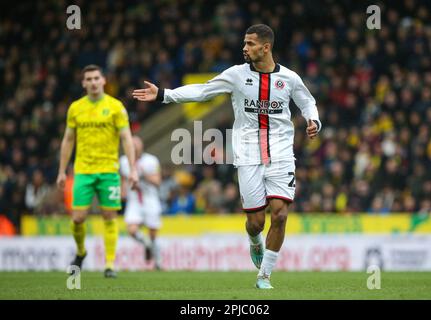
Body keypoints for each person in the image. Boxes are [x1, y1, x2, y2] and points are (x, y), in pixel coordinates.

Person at [132, 24, 321, 289]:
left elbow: (307, 102)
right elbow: (202, 91)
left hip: (280, 153)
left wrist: (313, 120)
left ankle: (264, 276)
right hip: (247, 155)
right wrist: (164, 94)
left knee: (279, 215)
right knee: (256, 223)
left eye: (251, 44)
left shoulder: (289, 78)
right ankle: (254, 241)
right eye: (244, 43)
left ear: (266, 47)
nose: (245, 48)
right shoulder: (235, 75)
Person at [57, 64, 138, 278]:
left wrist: (132, 169)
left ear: (103, 80)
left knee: (109, 215)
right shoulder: (75, 108)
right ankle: (81, 252)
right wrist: (61, 170)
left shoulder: (116, 107)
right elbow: (67, 140)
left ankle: (110, 265)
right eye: (89, 79)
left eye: (96, 78)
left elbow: (127, 139)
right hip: (83, 170)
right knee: (78, 218)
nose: (93, 82)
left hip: (109, 171)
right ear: (83, 83)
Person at [120, 136, 163, 270]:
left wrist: (143, 175)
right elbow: (122, 179)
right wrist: (122, 192)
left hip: (150, 199)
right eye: (132, 145)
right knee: (132, 230)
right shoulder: (123, 161)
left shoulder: (151, 160)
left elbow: (157, 182)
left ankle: (158, 263)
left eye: (136, 146)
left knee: (153, 233)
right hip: (134, 200)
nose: (134, 148)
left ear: (141, 147)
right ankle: (147, 245)